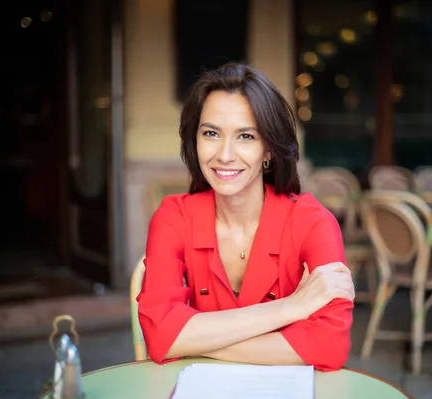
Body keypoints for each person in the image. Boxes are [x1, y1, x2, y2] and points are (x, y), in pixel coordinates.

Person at [137, 62, 355, 372]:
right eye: (211, 133)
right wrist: (294, 307)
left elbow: (331, 347)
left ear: (269, 150)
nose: (225, 155)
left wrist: (192, 339)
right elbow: (159, 336)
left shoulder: (312, 223)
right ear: (194, 140)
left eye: (246, 137)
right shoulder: (174, 217)